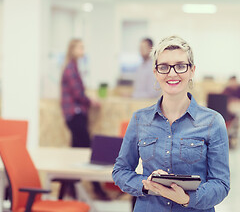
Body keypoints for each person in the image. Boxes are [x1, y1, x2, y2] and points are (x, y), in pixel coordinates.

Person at [113, 36, 230, 211]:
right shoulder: (140, 119)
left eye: (181, 66)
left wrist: (186, 199)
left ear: (192, 71)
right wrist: (146, 184)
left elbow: (221, 184)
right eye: (164, 67)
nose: (172, 73)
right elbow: (120, 171)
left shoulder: (213, 121)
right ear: (156, 72)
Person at [60, 38, 108, 200]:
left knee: (78, 152)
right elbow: (78, 94)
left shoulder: (74, 67)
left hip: (77, 114)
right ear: (72, 49)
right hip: (75, 114)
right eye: (80, 47)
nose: (83, 50)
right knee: (87, 152)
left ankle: (70, 189)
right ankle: (95, 189)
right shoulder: (70, 69)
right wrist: (91, 101)